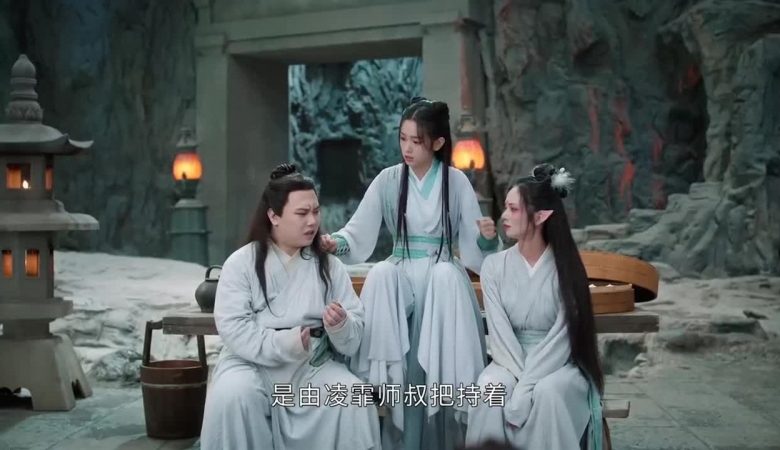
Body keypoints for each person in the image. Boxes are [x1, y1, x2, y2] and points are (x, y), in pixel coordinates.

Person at [321, 97, 499, 450]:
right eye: (403, 138)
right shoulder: (388, 180)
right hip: (400, 280)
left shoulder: (455, 181)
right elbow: (358, 232)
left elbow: (473, 248)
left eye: (416, 141)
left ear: (438, 142)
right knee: (382, 274)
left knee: (444, 281)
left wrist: (486, 238)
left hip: (442, 279)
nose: (407, 148)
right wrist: (334, 243)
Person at [200, 164, 381, 450]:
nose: (312, 221)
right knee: (233, 396)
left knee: (353, 397)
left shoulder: (329, 266)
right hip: (251, 365)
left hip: (311, 366)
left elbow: (354, 335)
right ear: (273, 216)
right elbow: (234, 328)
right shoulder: (241, 263)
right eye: (302, 213)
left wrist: (341, 325)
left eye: (316, 211)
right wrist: (287, 343)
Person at [465, 163, 606, 450]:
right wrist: (520, 382)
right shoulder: (494, 267)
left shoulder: (567, 268)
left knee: (548, 392)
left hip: (559, 364)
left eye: (513, 209)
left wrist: (527, 386)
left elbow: (562, 339)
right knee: (490, 389)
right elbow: (501, 336)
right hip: (509, 360)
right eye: (505, 208)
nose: (504, 216)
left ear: (541, 216)